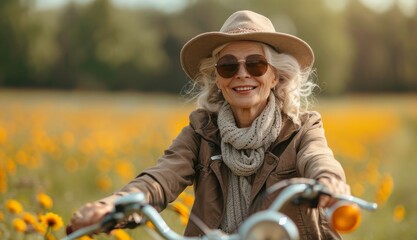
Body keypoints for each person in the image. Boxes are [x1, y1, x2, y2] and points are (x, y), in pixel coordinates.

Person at [69, 10, 350, 239]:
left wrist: (330, 183)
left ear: (276, 76)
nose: (242, 74)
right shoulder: (200, 132)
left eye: (256, 65)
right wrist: (112, 205)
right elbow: (160, 178)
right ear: (217, 78)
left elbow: (318, 158)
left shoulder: (302, 129)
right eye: (228, 66)